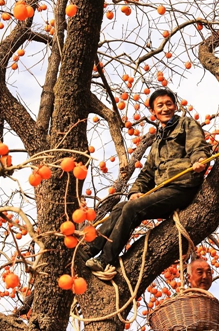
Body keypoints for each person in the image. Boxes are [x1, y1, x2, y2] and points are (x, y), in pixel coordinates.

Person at [86, 89, 211, 281]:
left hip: (182, 186)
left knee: (133, 209)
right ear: (153, 112)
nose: (165, 108)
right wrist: (136, 191)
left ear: (175, 106)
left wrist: (199, 160)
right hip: (164, 191)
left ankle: (105, 260)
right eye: (160, 105)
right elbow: (147, 173)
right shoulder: (157, 142)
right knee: (121, 208)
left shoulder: (186, 124)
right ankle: (89, 249)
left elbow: (197, 146)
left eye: (169, 104)